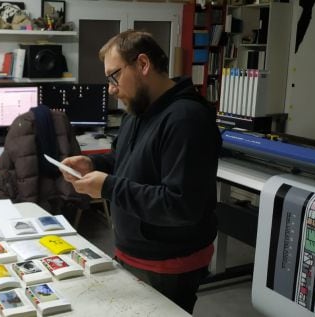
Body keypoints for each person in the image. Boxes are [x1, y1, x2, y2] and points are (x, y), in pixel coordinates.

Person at [61, 30, 222, 314]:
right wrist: (94, 165)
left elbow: (180, 205)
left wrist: (108, 187)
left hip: (169, 263)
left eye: (114, 76)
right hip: (134, 251)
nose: (110, 88)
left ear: (143, 65)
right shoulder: (138, 112)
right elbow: (126, 161)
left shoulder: (187, 120)